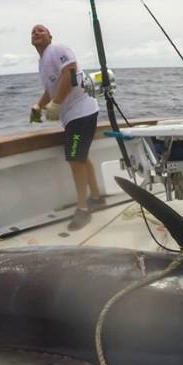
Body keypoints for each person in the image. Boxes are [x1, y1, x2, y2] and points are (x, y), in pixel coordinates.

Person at [29, 24, 104, 231]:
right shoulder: (42, 62)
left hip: (82, 112)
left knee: (74, 158)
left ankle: (83, 209)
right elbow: (50, 88)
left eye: (41, 30)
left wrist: (57, 103)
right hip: (72, 117)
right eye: (33, 32)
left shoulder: (58, 49)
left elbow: (70, 74)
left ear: (50, 36)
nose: (36, 32)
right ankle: (97, 197)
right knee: (81, 157)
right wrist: (39, 105)